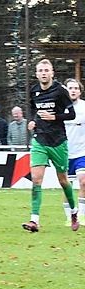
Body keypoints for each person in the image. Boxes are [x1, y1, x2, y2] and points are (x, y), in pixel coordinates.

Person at [23, 58, 77, 232]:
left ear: (52, 73)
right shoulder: (34, 91)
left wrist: (54, 117)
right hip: (40, 139)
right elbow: (33, 109)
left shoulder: (60, 91)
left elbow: (72, 114)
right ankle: (34, 220)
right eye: (40, 70)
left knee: (63, 180)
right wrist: (33, 121)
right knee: (36, 179)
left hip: (58, 141)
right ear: (36, 74)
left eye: (46, 70)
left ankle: (74, 211)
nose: (44, 73)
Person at [63, 78, 85, 231]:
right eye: (70, 88)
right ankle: (69, 217)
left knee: (83, 181)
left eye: (76, 88)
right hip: (64, 152)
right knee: (67, 186)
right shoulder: (60, 107)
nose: (73, 90)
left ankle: (82, 216)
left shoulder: (84, 107)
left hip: (82, 152)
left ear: (80, 91)